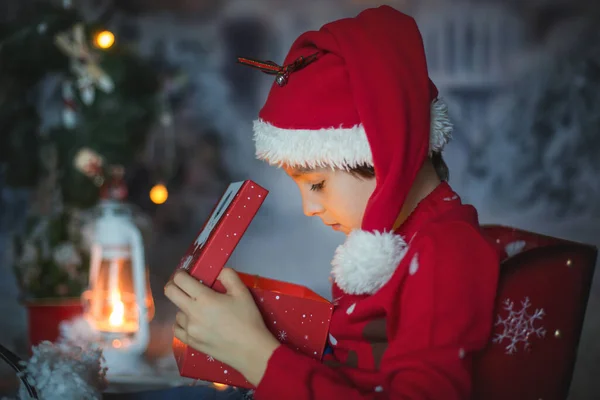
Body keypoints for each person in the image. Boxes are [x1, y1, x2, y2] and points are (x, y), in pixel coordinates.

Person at [165, 6, 500, 399]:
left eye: (318, 184)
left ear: (386, 151)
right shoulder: (392, 244)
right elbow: (353, 363)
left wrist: (255, 353)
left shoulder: (446, 252)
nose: (309, 207)